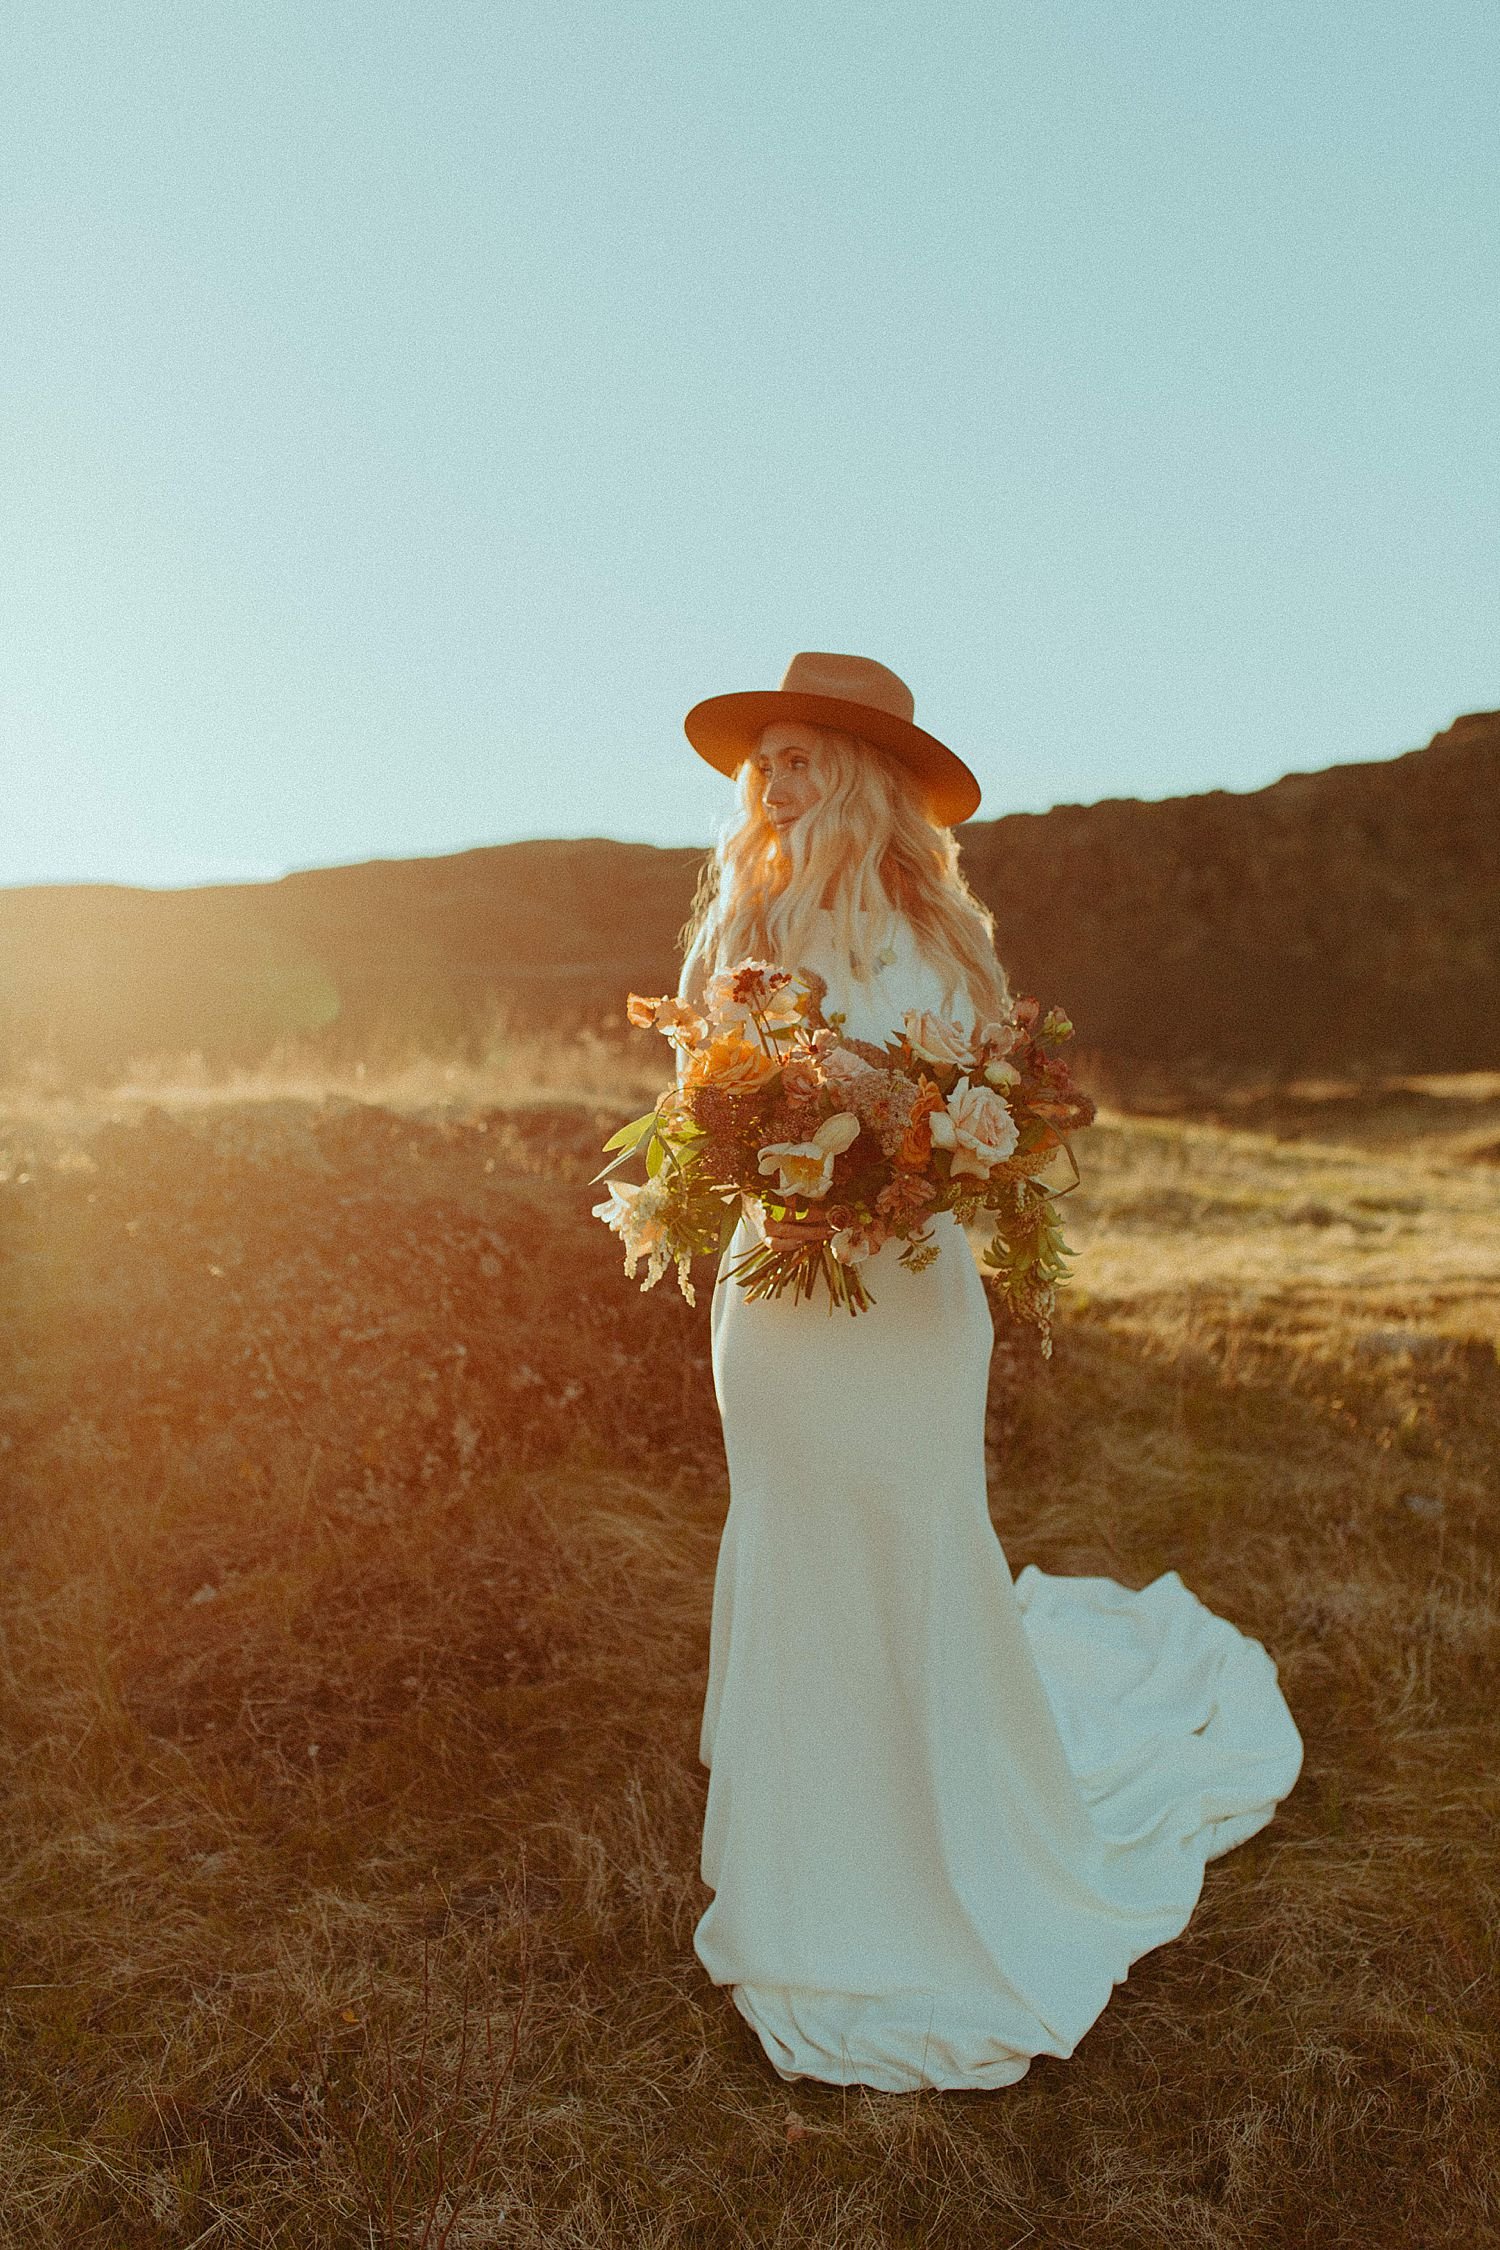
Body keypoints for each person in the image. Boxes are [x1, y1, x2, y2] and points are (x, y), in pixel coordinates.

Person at [673, 651, 1304, 2093]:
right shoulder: (736, 925)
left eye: (806, 750)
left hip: (905, 1297)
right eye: (765, 750)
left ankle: (941, 1844)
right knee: (792, 1532)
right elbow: (704, 1106)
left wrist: (919, 1142)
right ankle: (798, 1843)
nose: (776, 773)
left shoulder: (936, 934)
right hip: (777, 1305)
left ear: (874, 774)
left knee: (909, 1533)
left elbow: (982, 1118)